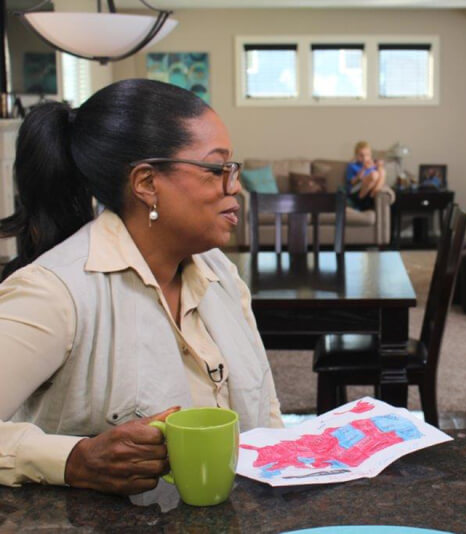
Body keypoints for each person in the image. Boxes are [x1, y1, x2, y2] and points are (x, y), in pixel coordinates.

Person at [0, 79, 283, 495]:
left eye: (232, 168)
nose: (234, 186)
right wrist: (73, 459)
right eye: (216, 169)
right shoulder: (55, 292)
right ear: (147, 184)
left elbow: (267, 411)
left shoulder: (220, 272)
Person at [345, 141, 386, 211]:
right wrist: (363, 169)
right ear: (356, 155)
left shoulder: (373, 166)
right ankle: (359, 202)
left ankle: (374, 193)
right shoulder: (352, 166)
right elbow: (352, 182)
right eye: (361, 155)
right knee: (374, 174)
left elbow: (381, 175)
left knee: (382, 170)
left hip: (369, 192)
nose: (364, 158)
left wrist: (379, 166)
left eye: (367, 155)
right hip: (356, 191)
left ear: (370, 155)